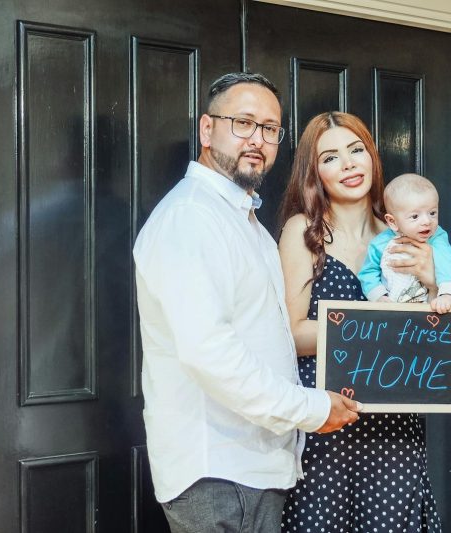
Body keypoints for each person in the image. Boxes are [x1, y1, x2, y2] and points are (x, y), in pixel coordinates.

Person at [133, 73, 362, 533]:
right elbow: (209, 352)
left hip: (252, 469)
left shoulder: (245, 222)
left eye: (270, 128)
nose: (258, 139)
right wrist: (311, 410)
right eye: (243, 122)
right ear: (206, 129)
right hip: (216, 472)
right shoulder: (190, 218)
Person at [277, 111, 443, 532]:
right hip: (325, 421)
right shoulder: (303, 232)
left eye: (356, 150)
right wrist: (373, 328)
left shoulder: (406, 234)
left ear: (372, 157)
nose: (349, 164)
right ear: (314, 173)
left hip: (393, 423)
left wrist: (430, 283)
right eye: (330, 157)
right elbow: (292, 334)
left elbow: (429, 340)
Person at [357, 173, 451, 313]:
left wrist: (446, 295)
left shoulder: (437, 237)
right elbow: (368, 272)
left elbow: (448, 261)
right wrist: (379, 297)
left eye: (432, 213)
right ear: (392, 222)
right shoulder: (380, 244)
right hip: (392, 311)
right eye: (415, 216)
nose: (427, 221)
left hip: (427, 311)